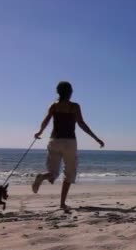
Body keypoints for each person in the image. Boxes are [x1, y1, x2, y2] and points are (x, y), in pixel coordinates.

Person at [32, 81, 104, 210]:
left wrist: (39, 132)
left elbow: (46, 121)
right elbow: (82, 124)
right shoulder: (74, 106)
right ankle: (62, 204)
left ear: (58, 92)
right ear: (70, 92)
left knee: (53, 173)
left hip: (54, 141)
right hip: (69, 142)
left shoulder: (54, 106)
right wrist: (96, 138)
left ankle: (42, 177)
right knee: (69, 174)